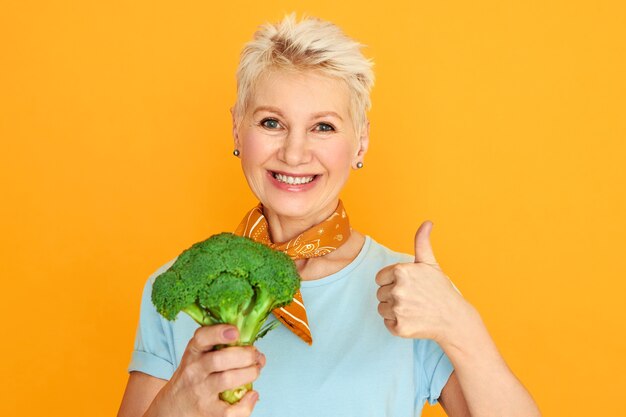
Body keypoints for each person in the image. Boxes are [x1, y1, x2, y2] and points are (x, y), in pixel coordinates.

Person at [117, 13, 541, 417]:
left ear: (360, 143)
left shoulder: (412, 293)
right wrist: (176, 402)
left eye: (323, 127)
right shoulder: (177, 291)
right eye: (271, 122)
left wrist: (460, 326)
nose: (295, 153)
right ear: (236, 129)